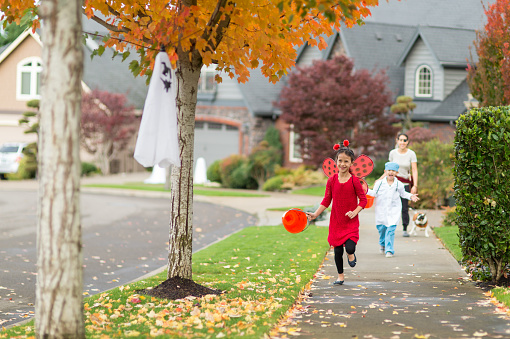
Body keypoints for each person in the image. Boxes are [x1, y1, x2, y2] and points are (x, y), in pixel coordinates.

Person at [306, 140, 367, 286]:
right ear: (336, 162)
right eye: (340, 161)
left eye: (346, 161)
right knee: (337, 251)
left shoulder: (354, 181)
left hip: (351, 222)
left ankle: (351, 254)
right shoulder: (331, 180)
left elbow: (363, 200)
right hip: (336, 222)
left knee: (350, 247)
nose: (343, 164)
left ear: (351, 163)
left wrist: (355, 211)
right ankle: (340, 277)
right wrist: (315, 214)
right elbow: (326, 201)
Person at [367, 162, 419, 258]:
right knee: (381, 229)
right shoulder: (379, 183)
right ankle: (382, 243)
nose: (391, 172)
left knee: (391, 230)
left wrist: (411, 196)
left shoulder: (398, 184)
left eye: (393, 171)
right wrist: (364, 189)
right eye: (389, 170)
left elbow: (403, 194)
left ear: (397, 173)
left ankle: (389, 250)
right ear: (385, 172)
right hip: (381, 210)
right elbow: (373, 193)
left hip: (393, 211)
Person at [388, 133, 418, 237]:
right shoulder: (392, 153)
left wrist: (415, 185)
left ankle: (405, 228)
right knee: (391, 206)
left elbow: (414, 170)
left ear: (407, 142)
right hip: (393, 183)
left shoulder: (411, 154)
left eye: (404, 140)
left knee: (404, 207)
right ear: (397, 141)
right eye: (400, 140)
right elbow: (389, 169)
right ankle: (390, 226)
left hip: (404, 183)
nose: (402, 142)